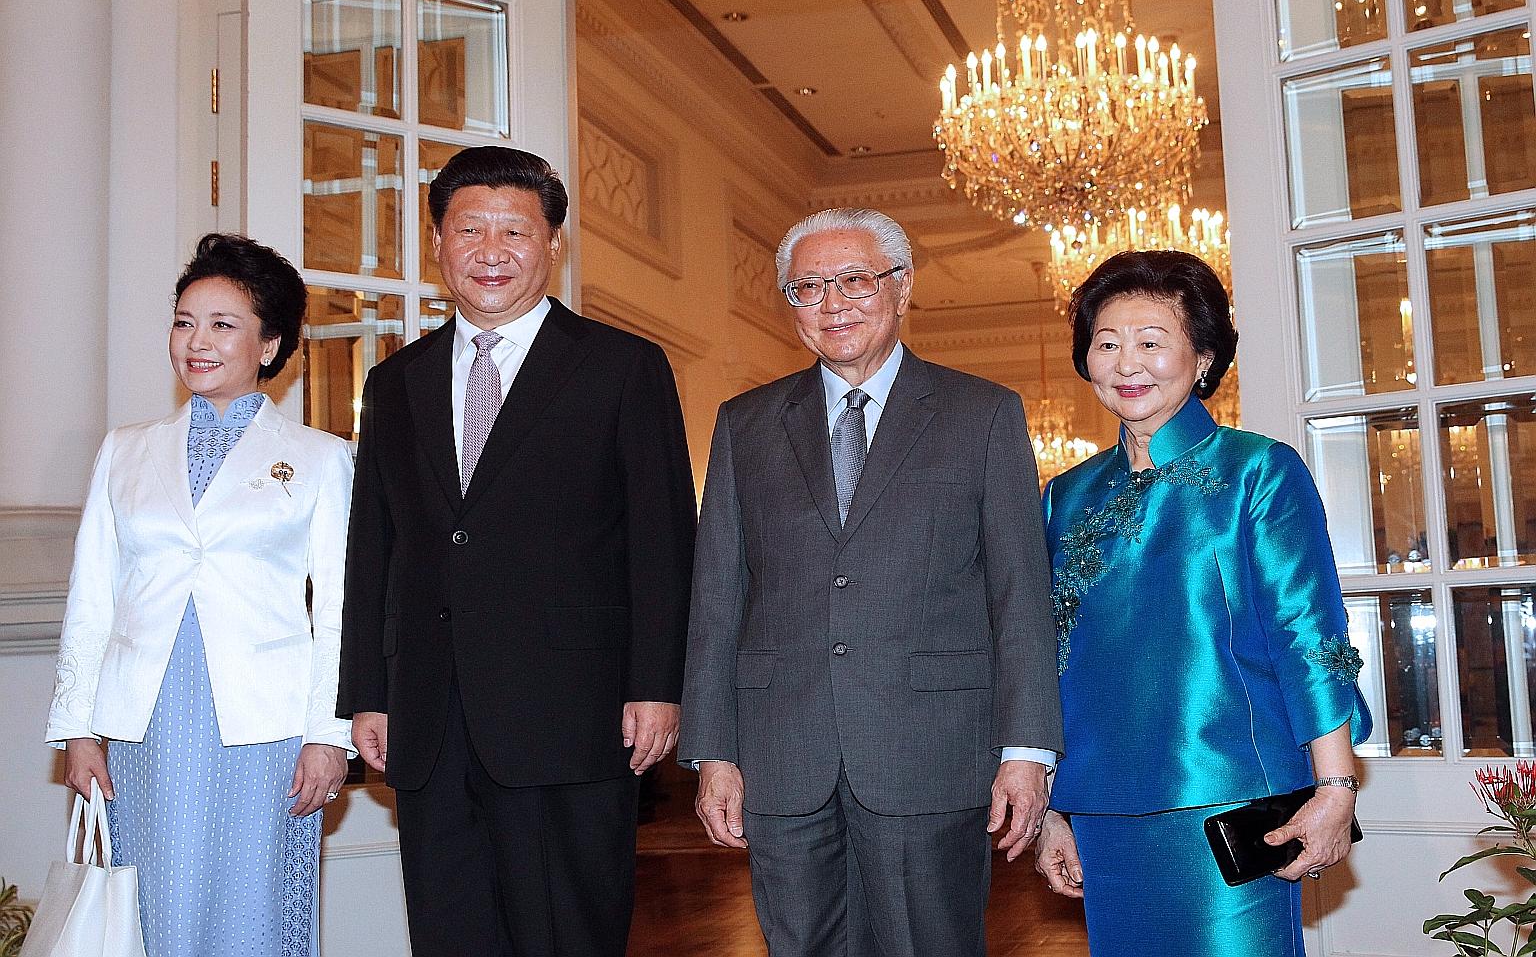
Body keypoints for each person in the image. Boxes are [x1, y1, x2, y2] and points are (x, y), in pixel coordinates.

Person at [337, 146, 696, 957]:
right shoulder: (395, 383)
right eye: (470, 230)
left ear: (553, 244)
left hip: (575, 711)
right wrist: (368, 690)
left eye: (515, 231)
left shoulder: (622, 367)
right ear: (437, 244)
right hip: (430, 717)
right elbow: (375, 549)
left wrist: (657, 684)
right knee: (450, 931)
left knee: (567, 931)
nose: (491, 251)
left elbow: (664, 541)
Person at [680, 207, 1063, 956]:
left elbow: (1020, 593)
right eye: (808, 288)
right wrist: (713, 751)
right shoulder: (745, 424)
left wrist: (1027, 748)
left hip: (932, 751)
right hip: (781, 758)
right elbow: (717, 600)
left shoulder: (982, 414)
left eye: (854, 280)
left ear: (902, 288)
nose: (833, 304)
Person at [1031, 250, 1372, 956]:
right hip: (1099, 810)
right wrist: (1050, 808)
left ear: (1205, 358)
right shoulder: (1064, 497)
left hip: (1228, 803)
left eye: (1152, 343)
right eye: (1107, 344)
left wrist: (1335, 785)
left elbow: (1308, 632)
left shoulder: (1259, 472)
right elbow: (1045, 661)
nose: (1128, 364)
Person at [44, 233, 355, 957]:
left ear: (271, 344)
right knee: (149, 908)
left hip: (265, 729)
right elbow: (92, 595)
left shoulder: (319, 458)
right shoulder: (125, 449)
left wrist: (327, 736)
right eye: (184, 321)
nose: (197, 342)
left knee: (254, 910)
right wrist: (78, 727)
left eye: (223, 324)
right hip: (140, 726)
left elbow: (340, 607)